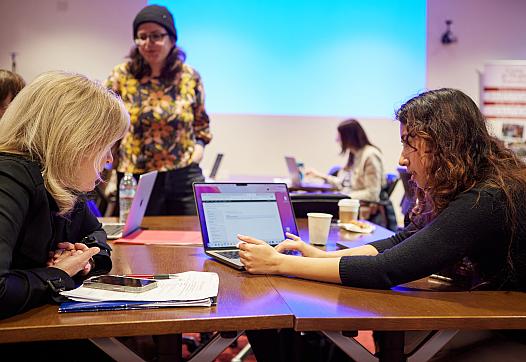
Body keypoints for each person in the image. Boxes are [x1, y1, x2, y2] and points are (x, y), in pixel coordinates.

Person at [238, 88, 526, 361]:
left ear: (442, 144)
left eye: (408, 143)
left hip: (514, 332)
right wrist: (322, 257)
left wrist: (278, 264)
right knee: (399, 337)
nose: (401, 159)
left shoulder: (487, 199)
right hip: (503, 317)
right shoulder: (474, 185)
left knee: (406, 341)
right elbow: (398, 243)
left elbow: (386, 269)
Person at [0, 70, 129, 321]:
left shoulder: (58, 178)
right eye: (106, 145)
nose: (110, 159)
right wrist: (59, 273)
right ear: (75, 140)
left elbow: (96, 234)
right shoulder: (9, 178)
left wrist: (84, 260)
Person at [106, 4, 212, 215]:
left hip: (183, 174)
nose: (148, 43)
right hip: (135, 176)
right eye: (142, 37)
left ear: (171, 39)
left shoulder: (189, 76)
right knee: (139, 243)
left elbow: (201, 124)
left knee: (193, 236)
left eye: (156, 36)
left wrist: (197, 151)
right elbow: (107, 123)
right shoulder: (121, 76)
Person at [307, 118, 385, 202]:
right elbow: (343, 184)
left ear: (349, 137)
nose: (336, 140)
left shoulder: (370, 155)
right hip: (350, 203)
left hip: (360, 208)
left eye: (339, 136)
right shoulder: (355, 155)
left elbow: (372, 194)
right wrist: (319, 176)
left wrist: (342, 197)